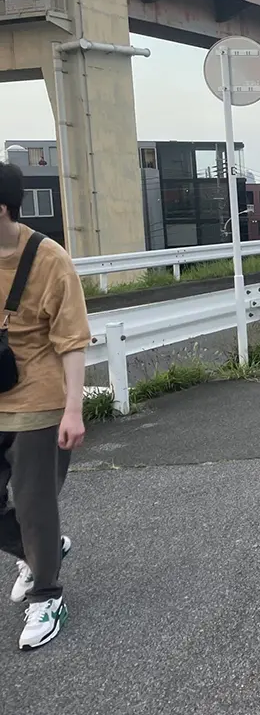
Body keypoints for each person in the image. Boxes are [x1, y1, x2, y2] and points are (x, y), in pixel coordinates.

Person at [0, 164, 88, 650]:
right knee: (29, 522)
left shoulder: (48, 258)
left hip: (38, 401)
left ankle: (47, 594)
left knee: (34, 504)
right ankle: (42, 552)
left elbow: (72, 339)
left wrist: (73, 410)